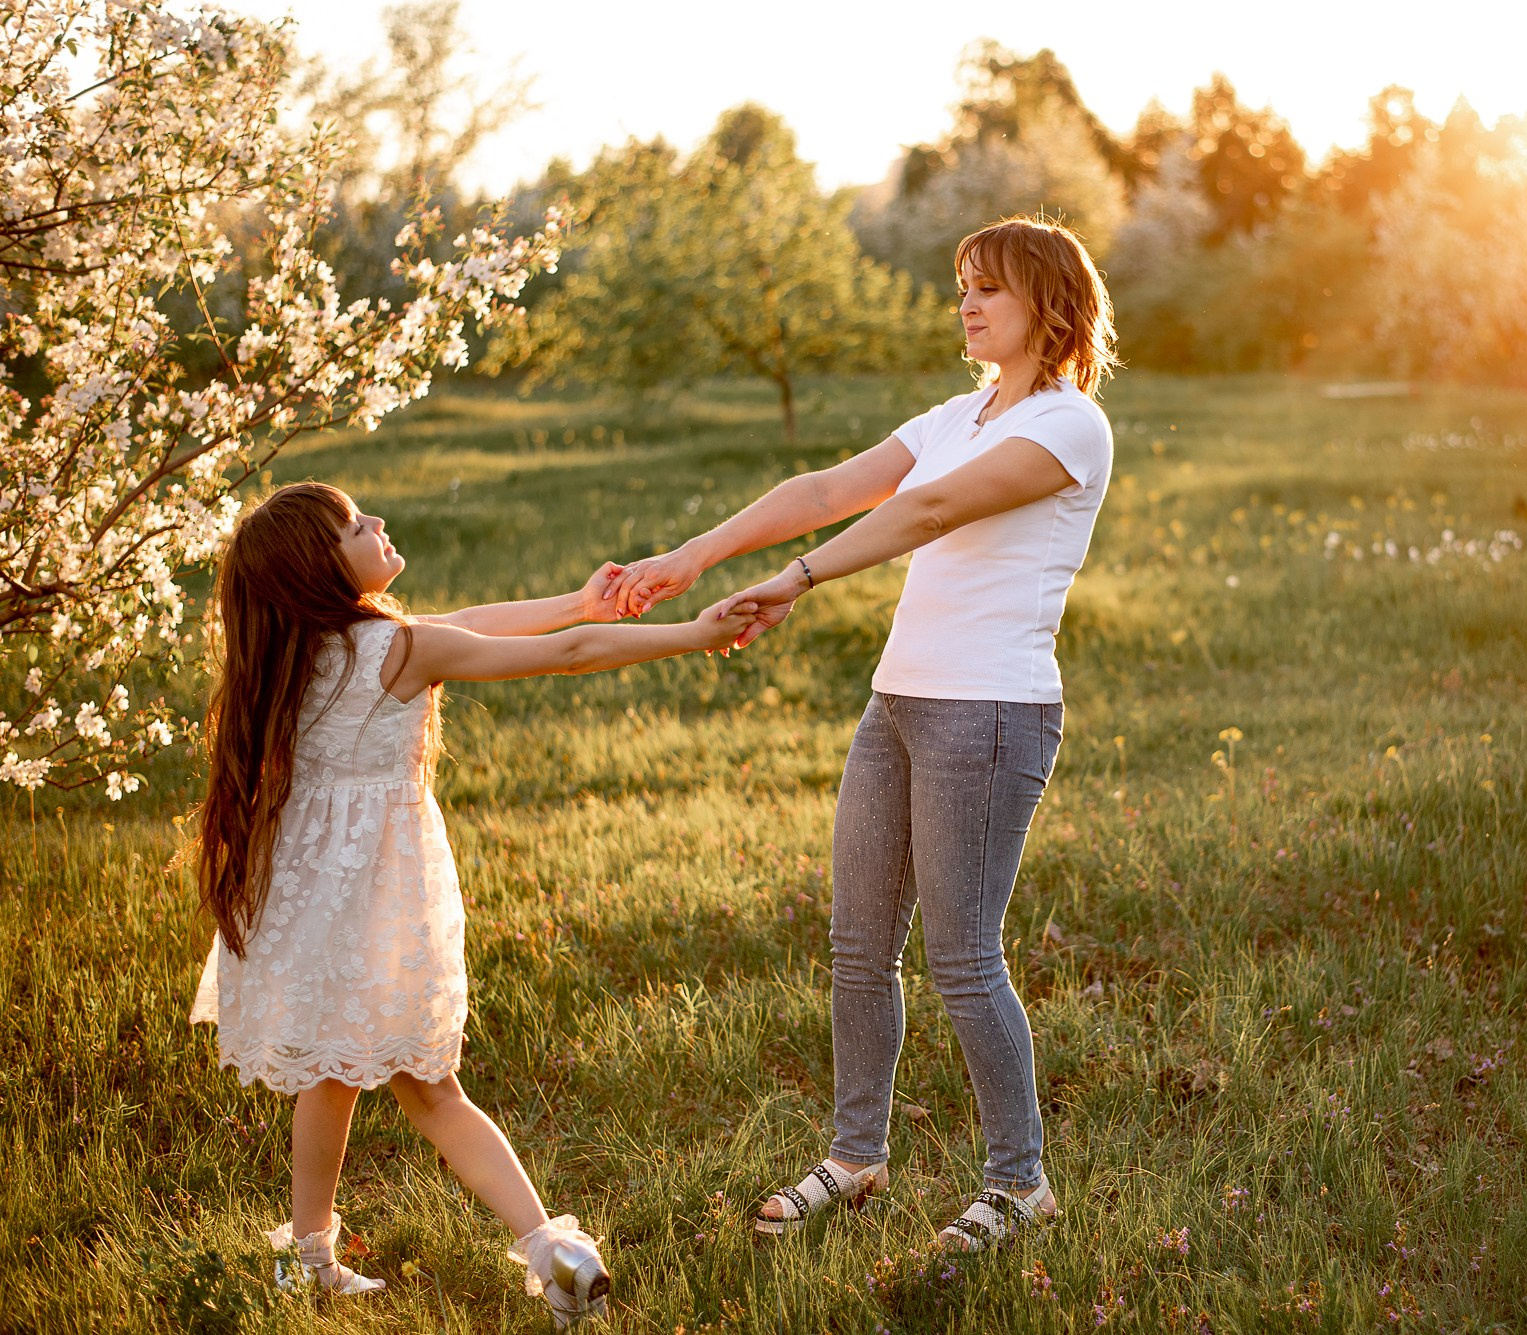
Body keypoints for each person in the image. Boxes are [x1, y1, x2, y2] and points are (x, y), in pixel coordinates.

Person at [611, 216, 1117, 1252]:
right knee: (857, 950)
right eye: (961, 286)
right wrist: (693, 557)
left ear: (1048, 304)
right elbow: (830, 490)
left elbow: (925, 515)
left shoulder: (1068, 426)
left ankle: (1019, 1184)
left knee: (964, 957)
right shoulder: (958, 413)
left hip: (990, 713)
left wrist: (798, 578)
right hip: (897, 705)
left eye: (989, 289)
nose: (966, 304)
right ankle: (855, 1157)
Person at [188, 481, 753, 1323]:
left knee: (333, 1071)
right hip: (380, 900)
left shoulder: (293, 649)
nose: (376, 521)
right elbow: (564, 656)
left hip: (305, 900)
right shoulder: (398, 647)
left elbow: (472, 621)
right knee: (428, 1086)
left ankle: (309, 1258)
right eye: (353, 524)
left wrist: (578, 599)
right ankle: (548, 1249)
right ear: (319, 565)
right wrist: (692, 633)